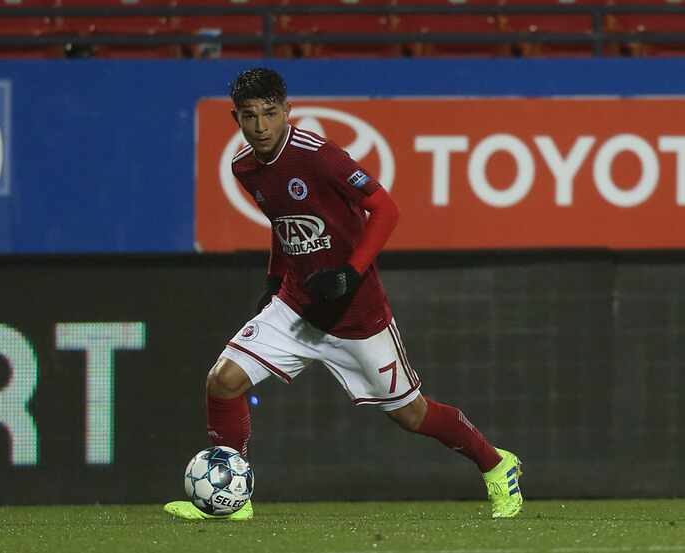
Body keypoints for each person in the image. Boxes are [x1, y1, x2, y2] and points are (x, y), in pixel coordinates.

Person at [164, 68, 523, 521]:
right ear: (236, 118)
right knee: (223, 380)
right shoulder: (244, 168)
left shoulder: (318, 156)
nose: (261, 127)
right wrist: (275, 282)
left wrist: (351, 274)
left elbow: (386, 209)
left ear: (287, 113)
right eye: (250, 116)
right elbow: (284, 223)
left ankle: (496, 464)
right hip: (297, 308)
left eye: (270, 114)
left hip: (358, 318)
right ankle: (233, 500)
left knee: (411, 414)